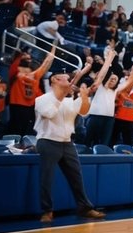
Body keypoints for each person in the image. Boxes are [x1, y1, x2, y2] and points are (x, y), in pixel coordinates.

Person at [34, 64, 105, 223]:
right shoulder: (41, 99)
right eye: (66, 78)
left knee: (76, 177)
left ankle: (84, 208)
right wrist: (62, 96)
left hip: (67, 142)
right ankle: (47, 211)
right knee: (47, 178)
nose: (70, 80)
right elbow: (49, 113)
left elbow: (84, 111)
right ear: (55, 80)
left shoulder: (69, 100)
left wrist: (85, 97)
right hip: (47, 141)